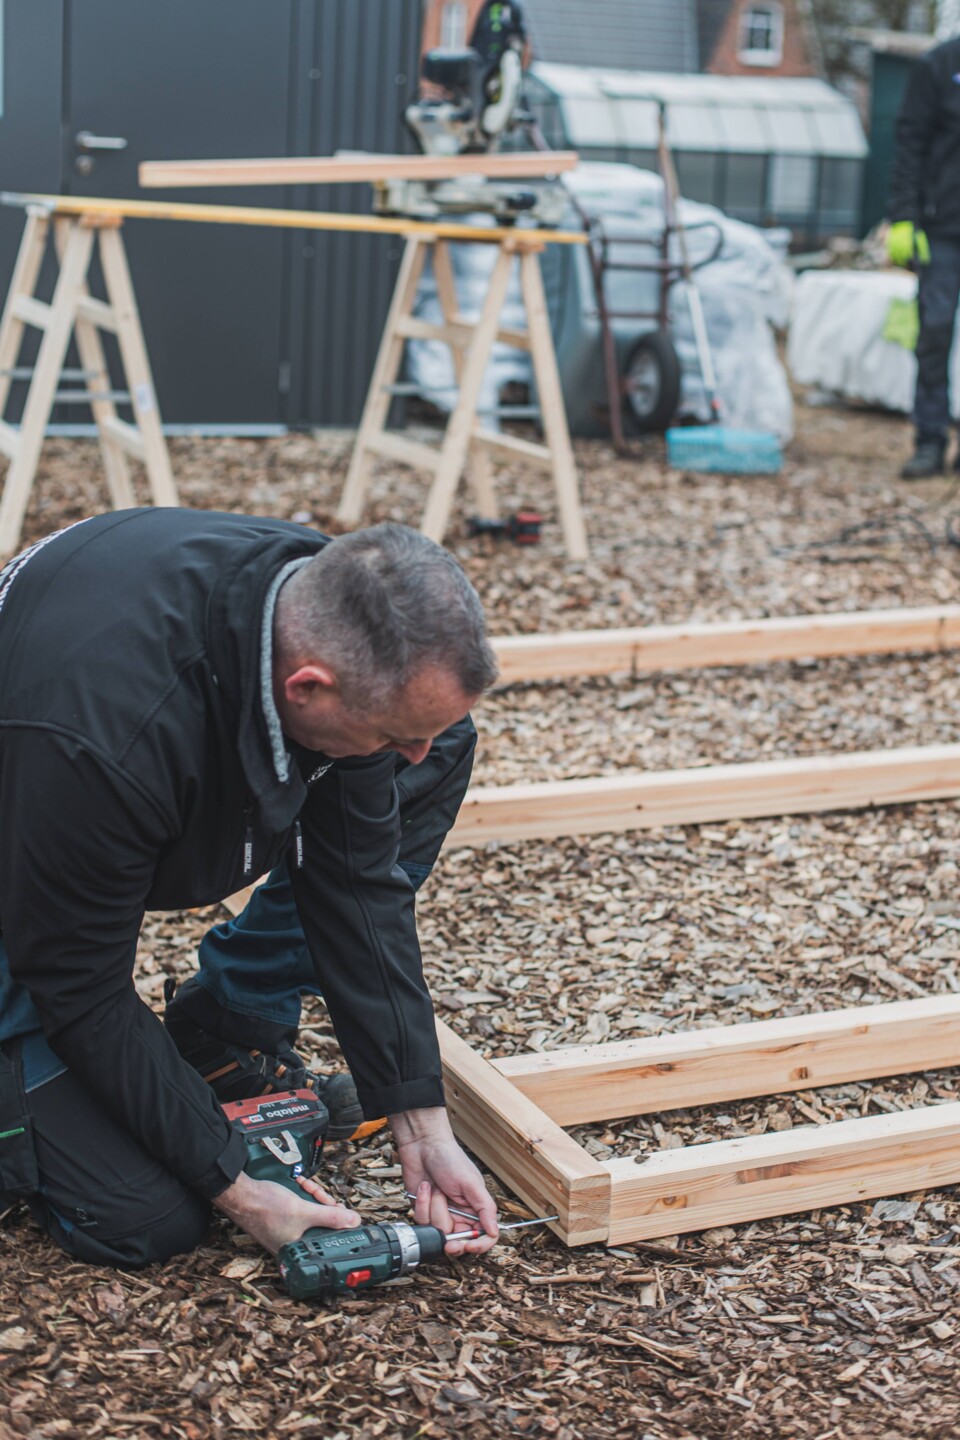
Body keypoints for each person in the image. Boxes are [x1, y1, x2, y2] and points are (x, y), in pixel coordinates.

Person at [0, 510, 501, 1266]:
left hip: (93, 772)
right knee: (146, 1219)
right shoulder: (107, 742)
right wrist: (240, 1188)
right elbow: (79, 987)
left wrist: (421, 1125)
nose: (416, 753)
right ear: (308, 688)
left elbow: (356, 880)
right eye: (396, 735)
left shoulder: (323, 597)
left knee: (427, 748)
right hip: (35, 810)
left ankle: (225, 1023)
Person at [887, 32, 960, 478]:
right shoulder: (939, 65)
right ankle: (930, 440)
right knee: (934, 332)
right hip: (942, 228)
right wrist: (903, 217)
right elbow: (910, 143)